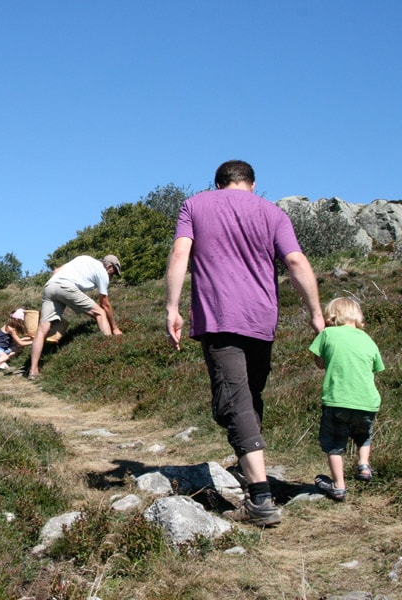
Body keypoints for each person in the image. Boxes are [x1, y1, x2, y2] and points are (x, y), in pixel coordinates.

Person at [165, 160, 324, 526]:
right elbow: (296, 261)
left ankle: (260, 499)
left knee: (234, 403)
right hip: (262, 318)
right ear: (252, 184)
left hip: (220, 318)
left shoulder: (195, 205)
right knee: (247, 397)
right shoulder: (272, 212)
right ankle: (248, 463)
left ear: (218, 183)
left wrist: (172, 308)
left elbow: (179, 254)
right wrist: (315, 314)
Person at [309, 297, 384, 501]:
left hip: (337, 400)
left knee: (334, 444)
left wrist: (318, 332)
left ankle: (339, 486)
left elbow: (320, 363)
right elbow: (377, 367)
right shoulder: (367, 339)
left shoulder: (327, 334)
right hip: (367, 402)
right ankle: (364, 465)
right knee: (364, 434)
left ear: (331, 316)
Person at [27, 255, 123, 379]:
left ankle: (33, 370)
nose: (113, 275)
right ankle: (110, 350)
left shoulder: (84, 258)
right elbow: (104, 304)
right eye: (114, 272)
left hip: (50, 286)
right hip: (66, 287)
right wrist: (115, 328)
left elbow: (56, 271)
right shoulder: (103, 273)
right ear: (110, 267)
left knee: (42, 329)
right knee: (100, 313)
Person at [0, 308, 33, 379]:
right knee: (5, 357)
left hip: (0, 349)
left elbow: (17, 342)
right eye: (22, 321)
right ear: (17, 320)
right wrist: (34, 342)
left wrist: (26, 338)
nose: (23, 323)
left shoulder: (10, 327)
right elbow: (20, 343)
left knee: (17, 348)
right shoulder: (10, 329)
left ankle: (1, 363)